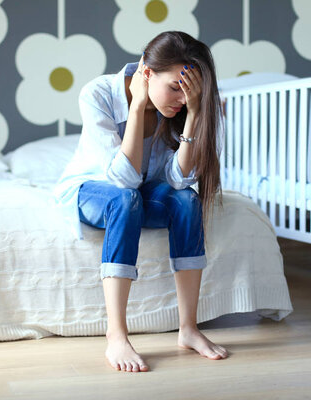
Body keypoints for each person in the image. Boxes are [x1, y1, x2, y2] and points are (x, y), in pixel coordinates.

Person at [53, 31, 227, 373]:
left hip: (139, 190)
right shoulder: (98, 94)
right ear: (147, 73)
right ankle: (116, 334)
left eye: (189, 91)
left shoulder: (181, 107)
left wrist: (192, 114)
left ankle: (189, 329)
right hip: (92, 189)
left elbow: (178, 180)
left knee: (187, 201)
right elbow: (123, 180)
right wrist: (137, 106)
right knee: (125, 198)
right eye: (175, 88)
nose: (180, 98)